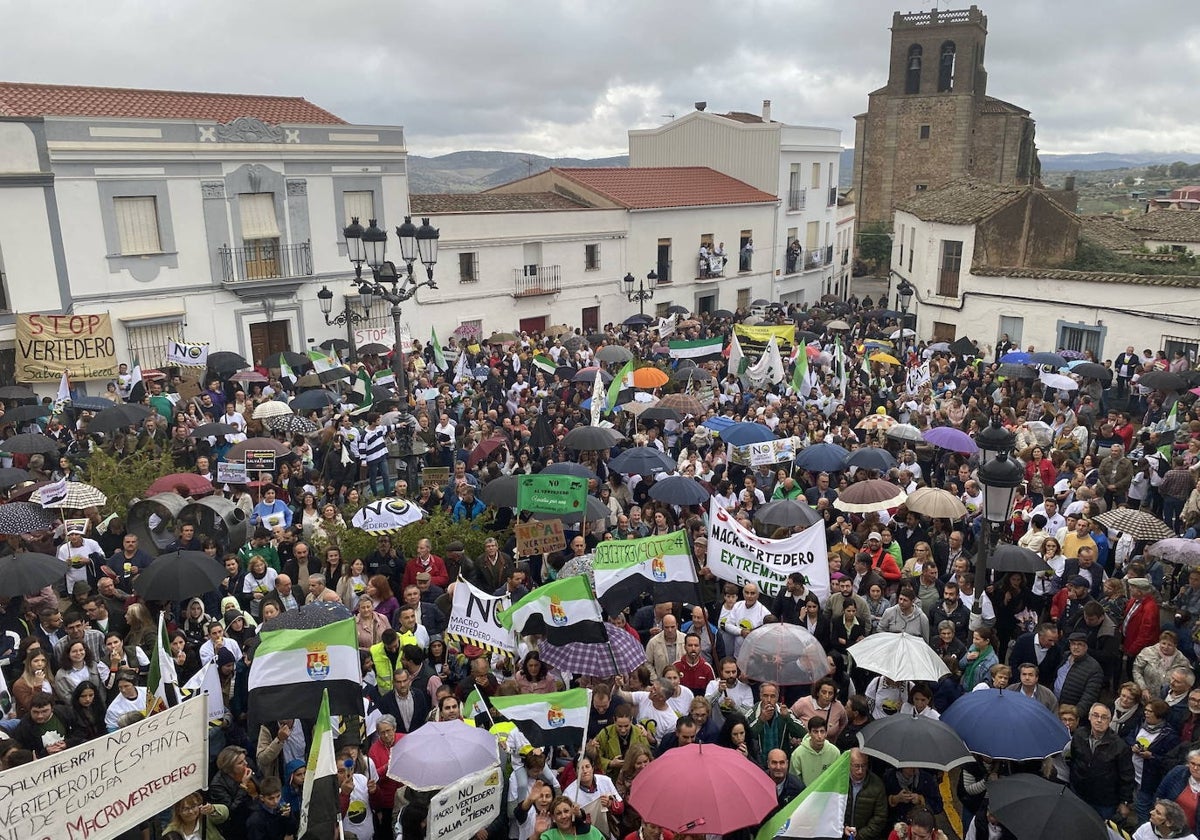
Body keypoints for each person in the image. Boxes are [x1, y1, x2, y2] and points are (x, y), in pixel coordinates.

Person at [1068, 702, 1134, 821]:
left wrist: (1125, 802)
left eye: (1104, 717)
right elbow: (1073, 759)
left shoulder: (1120, 746)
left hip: (1104, 800)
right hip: (1079, 792)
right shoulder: (1079, 735)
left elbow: (1127, 776)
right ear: (1089, 717)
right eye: (1095, 715)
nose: (1099, 720)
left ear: (1110, 720)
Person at [845, 747, 889, 840]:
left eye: (864, 765)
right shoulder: (840, 781)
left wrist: (859, 835)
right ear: (849, 764)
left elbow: (880, 817)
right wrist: (843, 828)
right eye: (856, 766)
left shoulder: (877, 785)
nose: (860, 770)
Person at [790, 715, 841, 787]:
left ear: (826, 733)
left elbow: (838, 778)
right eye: (815, 732)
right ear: (809, 733)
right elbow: (794, 781)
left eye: (822, 731)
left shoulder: (835, 752)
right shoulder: (798, 754)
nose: (819, 736)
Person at [164, 792, 229, 840]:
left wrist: (212, 809)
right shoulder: (172, 830)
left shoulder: (206, 818)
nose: (191, 812)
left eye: (193, 806)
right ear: (178, 811)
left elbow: (224, 813)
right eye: (186, 809)